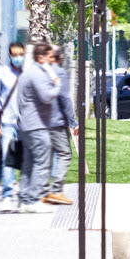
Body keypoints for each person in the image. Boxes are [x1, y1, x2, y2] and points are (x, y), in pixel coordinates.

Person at [14, 42, 60, 213]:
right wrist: (57, 85)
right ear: (41, 57)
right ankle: (33, 200)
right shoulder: (37, 74)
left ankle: (25, 200)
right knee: (42, 161)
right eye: (49, 57)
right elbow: (47, 97)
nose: (52, 60)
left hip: (25, 125)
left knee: (28, 163)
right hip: (36, 126)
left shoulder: (27, 73)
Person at [0, 41, 25, 203]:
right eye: (15, 55)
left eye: (20, 54)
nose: (18, 58)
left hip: (25, 123)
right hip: (8, 123)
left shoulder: (27, 74)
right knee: (8, 159)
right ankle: (7, 194)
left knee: (26, 158)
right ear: (9, 55)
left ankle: (26, 192)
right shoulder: (1, 73)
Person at [43, 46, 77, 205]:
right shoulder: (60, 73)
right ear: (59, 57)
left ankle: (43, 191)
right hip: (56, 121)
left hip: (41, 122)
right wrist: (73, 122)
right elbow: (64, 99)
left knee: (47, 155)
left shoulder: (41, 73)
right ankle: (56, 190)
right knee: (65, 153)